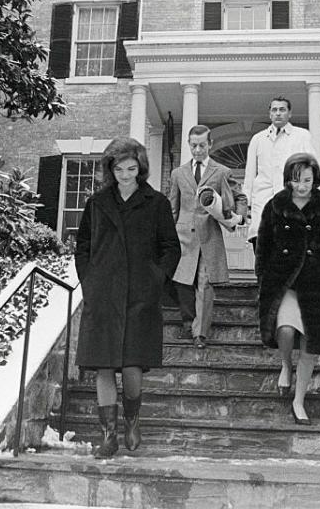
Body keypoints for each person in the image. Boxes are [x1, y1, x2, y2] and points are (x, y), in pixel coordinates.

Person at [74, 137, 181, 458]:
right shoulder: (97, 203)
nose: (125, 175)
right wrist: (89, 280)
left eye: (131, 168)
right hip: (103, 295)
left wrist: (155, 278)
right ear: (111, 169)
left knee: (133, 366)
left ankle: (132, 420)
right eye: (118, 169)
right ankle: (108, 435)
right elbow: (83, 246)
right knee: (104, 367)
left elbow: (171, 247)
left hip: (140, 295)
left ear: (141, 168)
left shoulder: (156, 202)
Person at [255, 153, 320, 425]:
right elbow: (263, 244)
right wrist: (262, 277)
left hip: (315, 281)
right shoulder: (275, 205)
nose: (302, 186)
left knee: (311, 342)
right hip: (282, 280)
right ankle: (285, 365)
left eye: (307, 180)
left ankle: (299, 400)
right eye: (296, 180)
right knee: (284, 330)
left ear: (315, 178)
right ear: (288, 180)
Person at [168, 125, 240, 349]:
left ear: (210, 145)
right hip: (183, 237)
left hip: (209, 236)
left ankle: (200, 333)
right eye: (193, 145)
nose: (197, 150)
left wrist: (239, 216)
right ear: (189, 145)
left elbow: (240, 197)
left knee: (205, 283)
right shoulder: (178, 174)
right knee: (183, 282)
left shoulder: (221, 172)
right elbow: (173, 207)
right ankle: (189, 320)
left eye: (202, 145)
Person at [243, 96, 317, 250]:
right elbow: (250, 175)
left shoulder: (302, 136)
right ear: (270, 114)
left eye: (282, 110)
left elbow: (312, 170)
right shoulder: (258, 139)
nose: (278, 113)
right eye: (274, 110)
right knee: (263, 249)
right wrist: (245, 203)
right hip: (263, 199)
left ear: (289, 114)